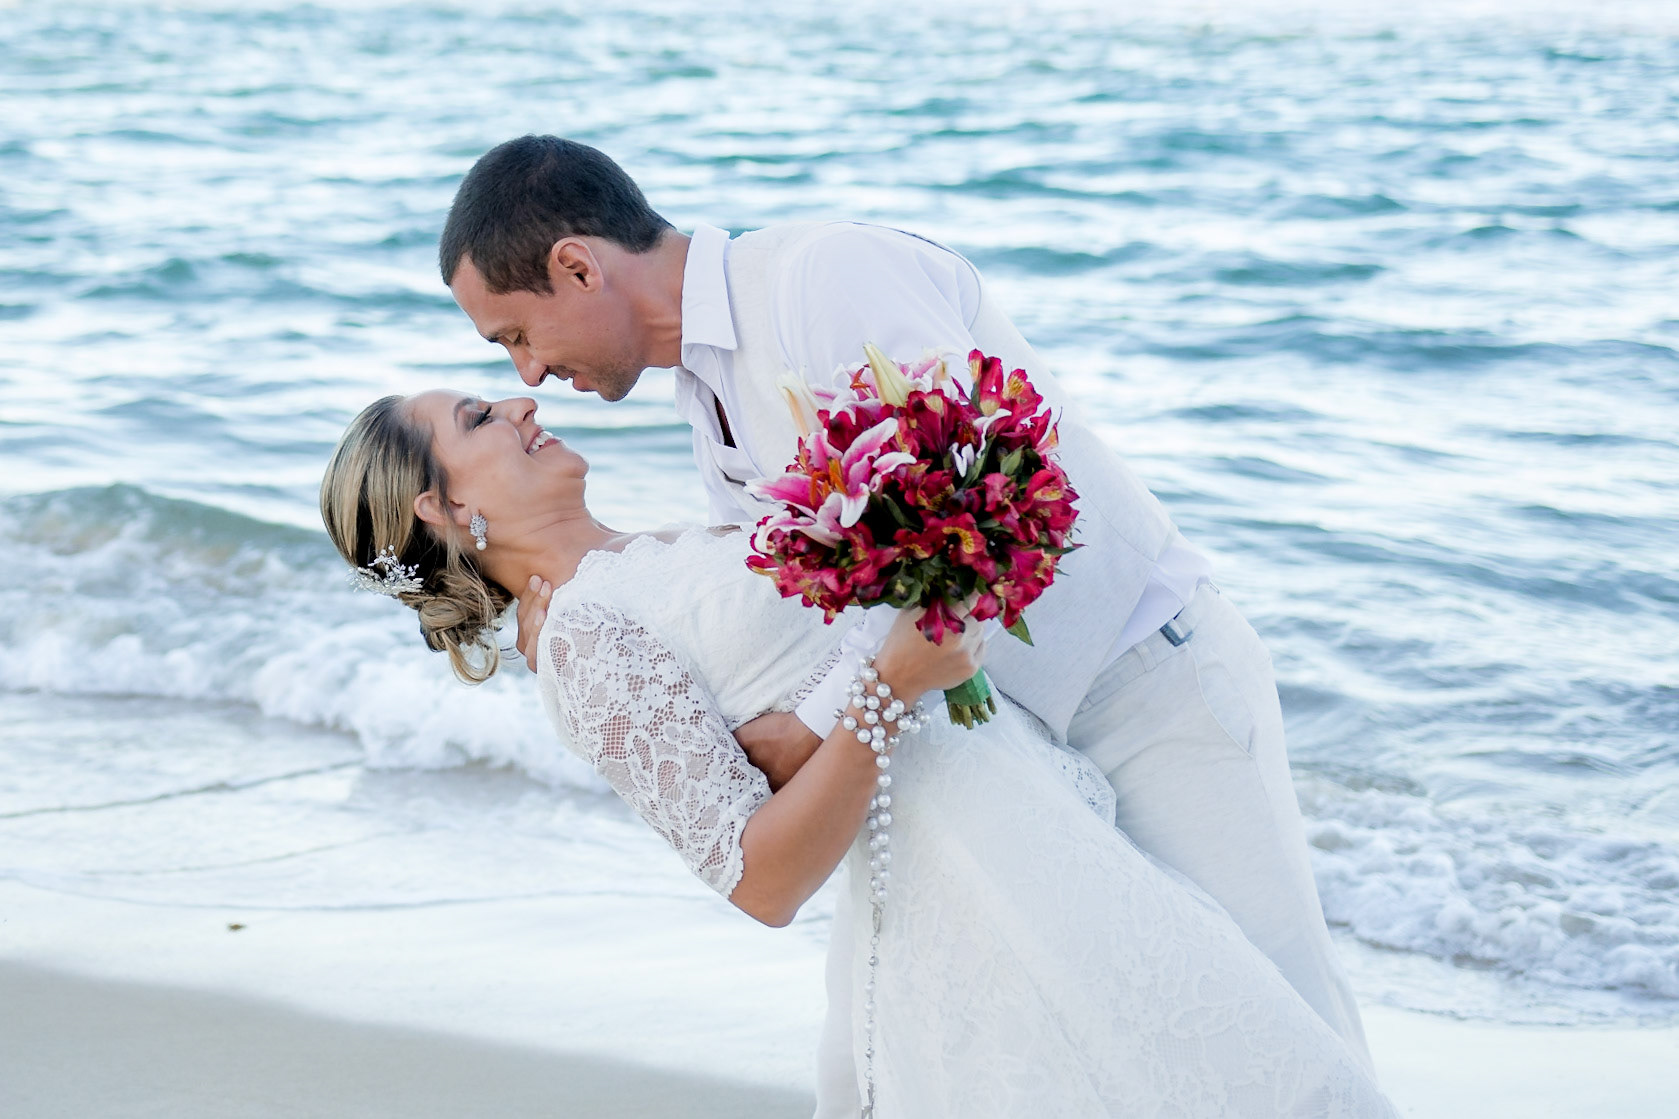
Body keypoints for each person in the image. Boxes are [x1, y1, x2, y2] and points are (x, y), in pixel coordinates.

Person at [435, 134, 1375, 1100]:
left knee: (1280, 1036)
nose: (531, 374)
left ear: (578, 265)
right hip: (1017, 753)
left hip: (1143, 687)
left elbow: (988, 499)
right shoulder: (706, 405)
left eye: (515, 334)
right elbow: (815, 608)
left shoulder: (821, 281)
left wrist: (813, 723)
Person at [319, 390, 1395, 1117]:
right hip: (975, 873)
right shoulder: (584, 641)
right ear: (445, 507)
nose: (519, 404)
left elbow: (816, 678)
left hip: (1025, 822)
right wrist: (889, 683)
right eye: (478, 417)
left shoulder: (631, 560)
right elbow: (761, 876)